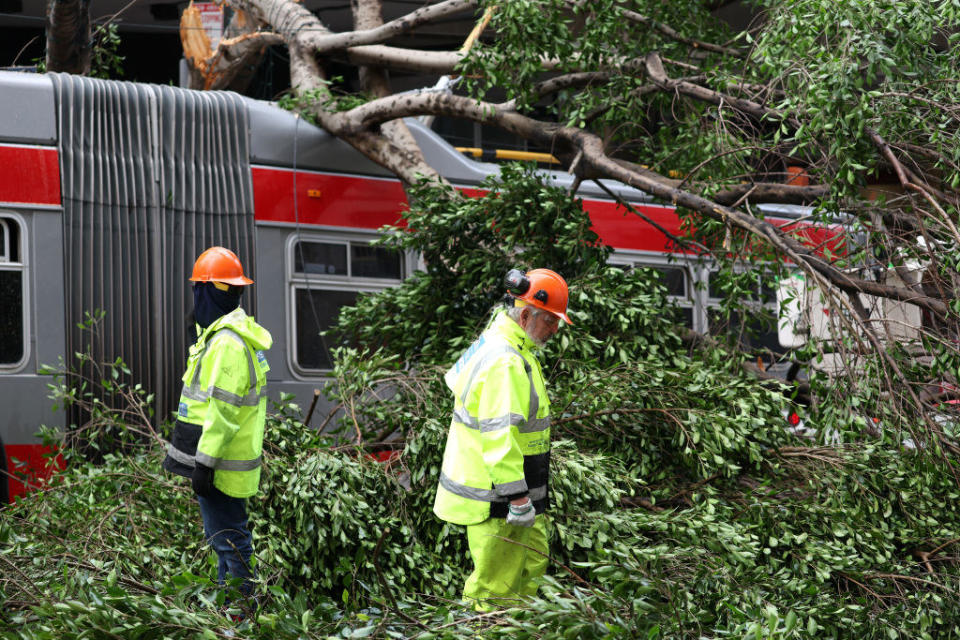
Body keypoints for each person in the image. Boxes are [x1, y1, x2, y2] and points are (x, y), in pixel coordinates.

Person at [433, 267, 572, 610]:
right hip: (500, 500)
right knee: (494, 595)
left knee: (530, 569)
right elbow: (498, 436)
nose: (554, 330)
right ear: (526, 314)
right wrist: (518, 498)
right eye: (550, 321)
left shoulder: (504, 344)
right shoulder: (505, 360)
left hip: (515, 496)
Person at [163, 246, 273, 603]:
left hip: (220, 465)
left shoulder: (227, 343)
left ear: (205, 291)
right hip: (226, 463)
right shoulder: (227, 335)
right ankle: (229, 607)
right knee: (225, 541)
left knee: (231, 543)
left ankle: (241, 611)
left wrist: (204, 465)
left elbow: (222, 415)